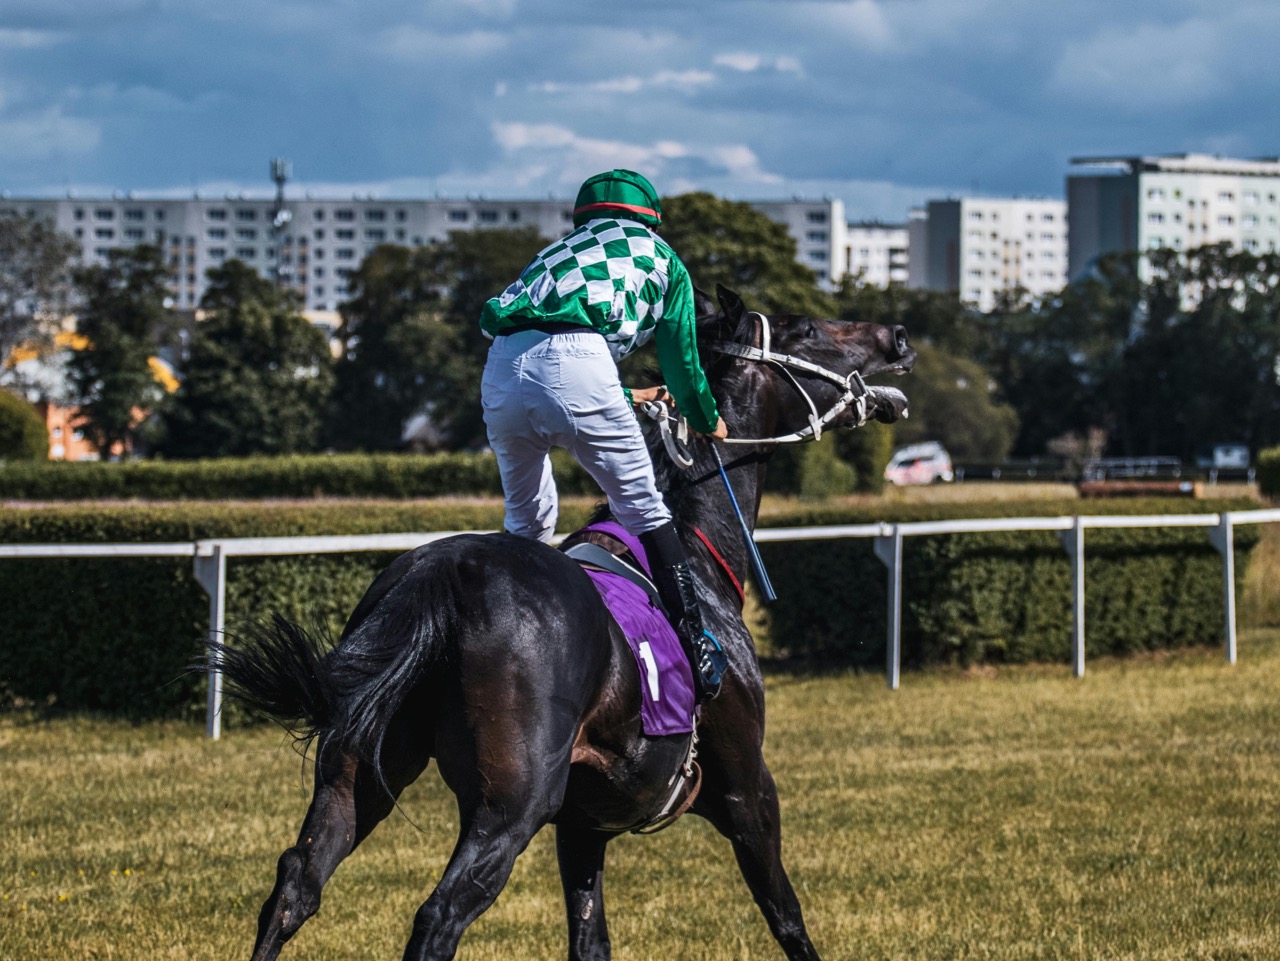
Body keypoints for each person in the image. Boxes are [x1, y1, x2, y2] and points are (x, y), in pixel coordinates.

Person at [479, 168, 730, 700]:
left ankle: (499, 635)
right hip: (579, 365)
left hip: (501, 366)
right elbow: (681, 361)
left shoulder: (558, 251)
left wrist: (624, 399)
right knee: (644, 508)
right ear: (651, 218)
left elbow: (547, 350)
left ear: (584, 217)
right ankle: (695, 642)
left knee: (528, 521)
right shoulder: (662, 258)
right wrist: (707, 419)